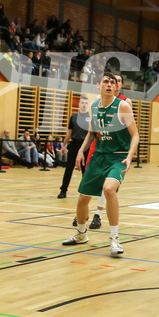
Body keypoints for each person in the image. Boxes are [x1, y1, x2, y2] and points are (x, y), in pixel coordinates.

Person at [62, 72, 139, 256]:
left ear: (116, 87)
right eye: (106, 82)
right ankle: (81, 234)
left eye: (113, 82)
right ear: (99, 85)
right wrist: (81, 150)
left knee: (109, 189)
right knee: (82, 198)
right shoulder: (94, 106)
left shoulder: (123, 106)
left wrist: (129, 157)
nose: (110, 85)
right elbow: (91, 133)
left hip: (118, 157)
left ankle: (114, 239)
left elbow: (135, 135)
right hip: (99, 156)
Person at [86, 74, 133, 229]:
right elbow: (92, 130)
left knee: (108, 187)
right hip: (98, 144)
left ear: (119, 85)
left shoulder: (125, 103)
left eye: (117, 81)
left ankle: (98, 214)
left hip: (115, 149)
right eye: (110, 81)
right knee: (87, 184)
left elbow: (131, 131)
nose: (114, 84)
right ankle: (82, 214)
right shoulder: (96, 103)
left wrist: (130, 154)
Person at [58, 96, 90, 199]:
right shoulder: (74, 117)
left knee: (85, 170)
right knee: (69, 168)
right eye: (82, 103)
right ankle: (63, 190)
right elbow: (69, 132)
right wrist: (63, 145)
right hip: (74, 145)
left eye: (86, 103)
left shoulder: (90, 117)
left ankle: (85, 191)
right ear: (79, 104)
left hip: (85, 146)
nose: (84, 105)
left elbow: (92, 134)